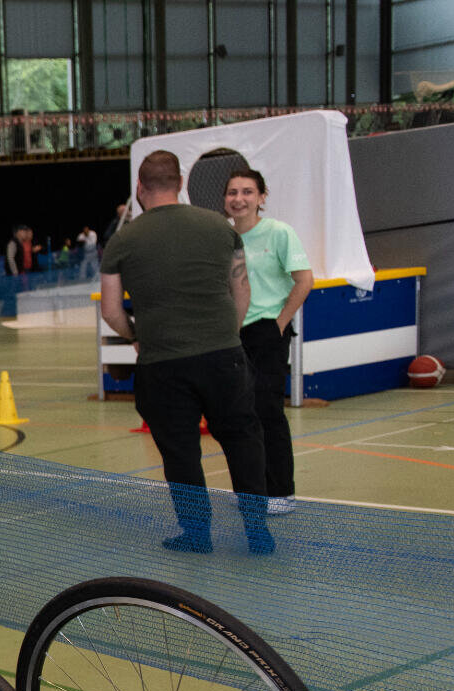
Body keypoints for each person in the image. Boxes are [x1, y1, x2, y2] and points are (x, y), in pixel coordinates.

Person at [99, 150, 270, 554]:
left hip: (162, 363)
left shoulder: (122, 241)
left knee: (180, 451)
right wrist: (227, 333)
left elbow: (110, 311)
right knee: (242, 440)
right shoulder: (219, 227)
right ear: (180, 184)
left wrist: (137, 336)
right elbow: (242, 291)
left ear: (140, 188)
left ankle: (196, 533)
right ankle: (257, 531)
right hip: (223, 356)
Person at [223, 168, 313, 516]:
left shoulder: (278, 233)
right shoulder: (222, 237)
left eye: (247, 192)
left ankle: (281, 491)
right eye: (233, 192)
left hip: (266, 332)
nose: (239, 199)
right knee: (236, 415)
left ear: (262, 197)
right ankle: (250, 488)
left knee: (267, 410)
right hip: (232, 335)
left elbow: (304, 280)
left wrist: (279, 324)